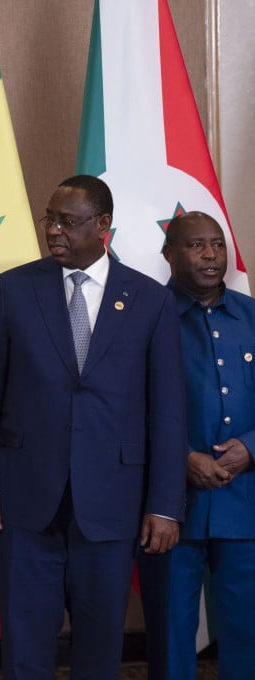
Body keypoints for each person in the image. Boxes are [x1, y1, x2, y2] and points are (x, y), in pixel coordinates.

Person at [0, 175, 188, 678]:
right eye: (50, 219)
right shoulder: (13, 289)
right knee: (24, 650)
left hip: (113, 501)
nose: (53, 231)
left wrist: (164, 505)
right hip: (24, 499)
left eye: (68, 221)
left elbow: (168, 412)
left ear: (103, 225)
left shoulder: (150, 300)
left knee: (100, 652)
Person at [143, 211, 255, 680]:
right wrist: (181, 457)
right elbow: (122, 409)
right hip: (171, 504)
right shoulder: (145, 316)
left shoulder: (251, 314)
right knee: (171, 634)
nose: (211, 255)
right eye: (195, 245)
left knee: (247, 631)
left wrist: (251, 447)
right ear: (169, 254)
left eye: (218, 244)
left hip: (244, 500)